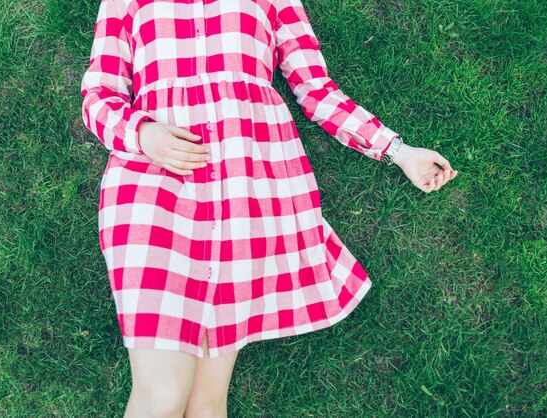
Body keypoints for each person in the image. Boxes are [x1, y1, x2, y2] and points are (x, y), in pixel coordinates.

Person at [80, 0, 458, 416]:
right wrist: (142, 133)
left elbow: (316, 90)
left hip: (250, 196)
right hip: (153, 188)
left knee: (206, 404)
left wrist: (399, 151)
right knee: (162, 393)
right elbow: (99, 94)